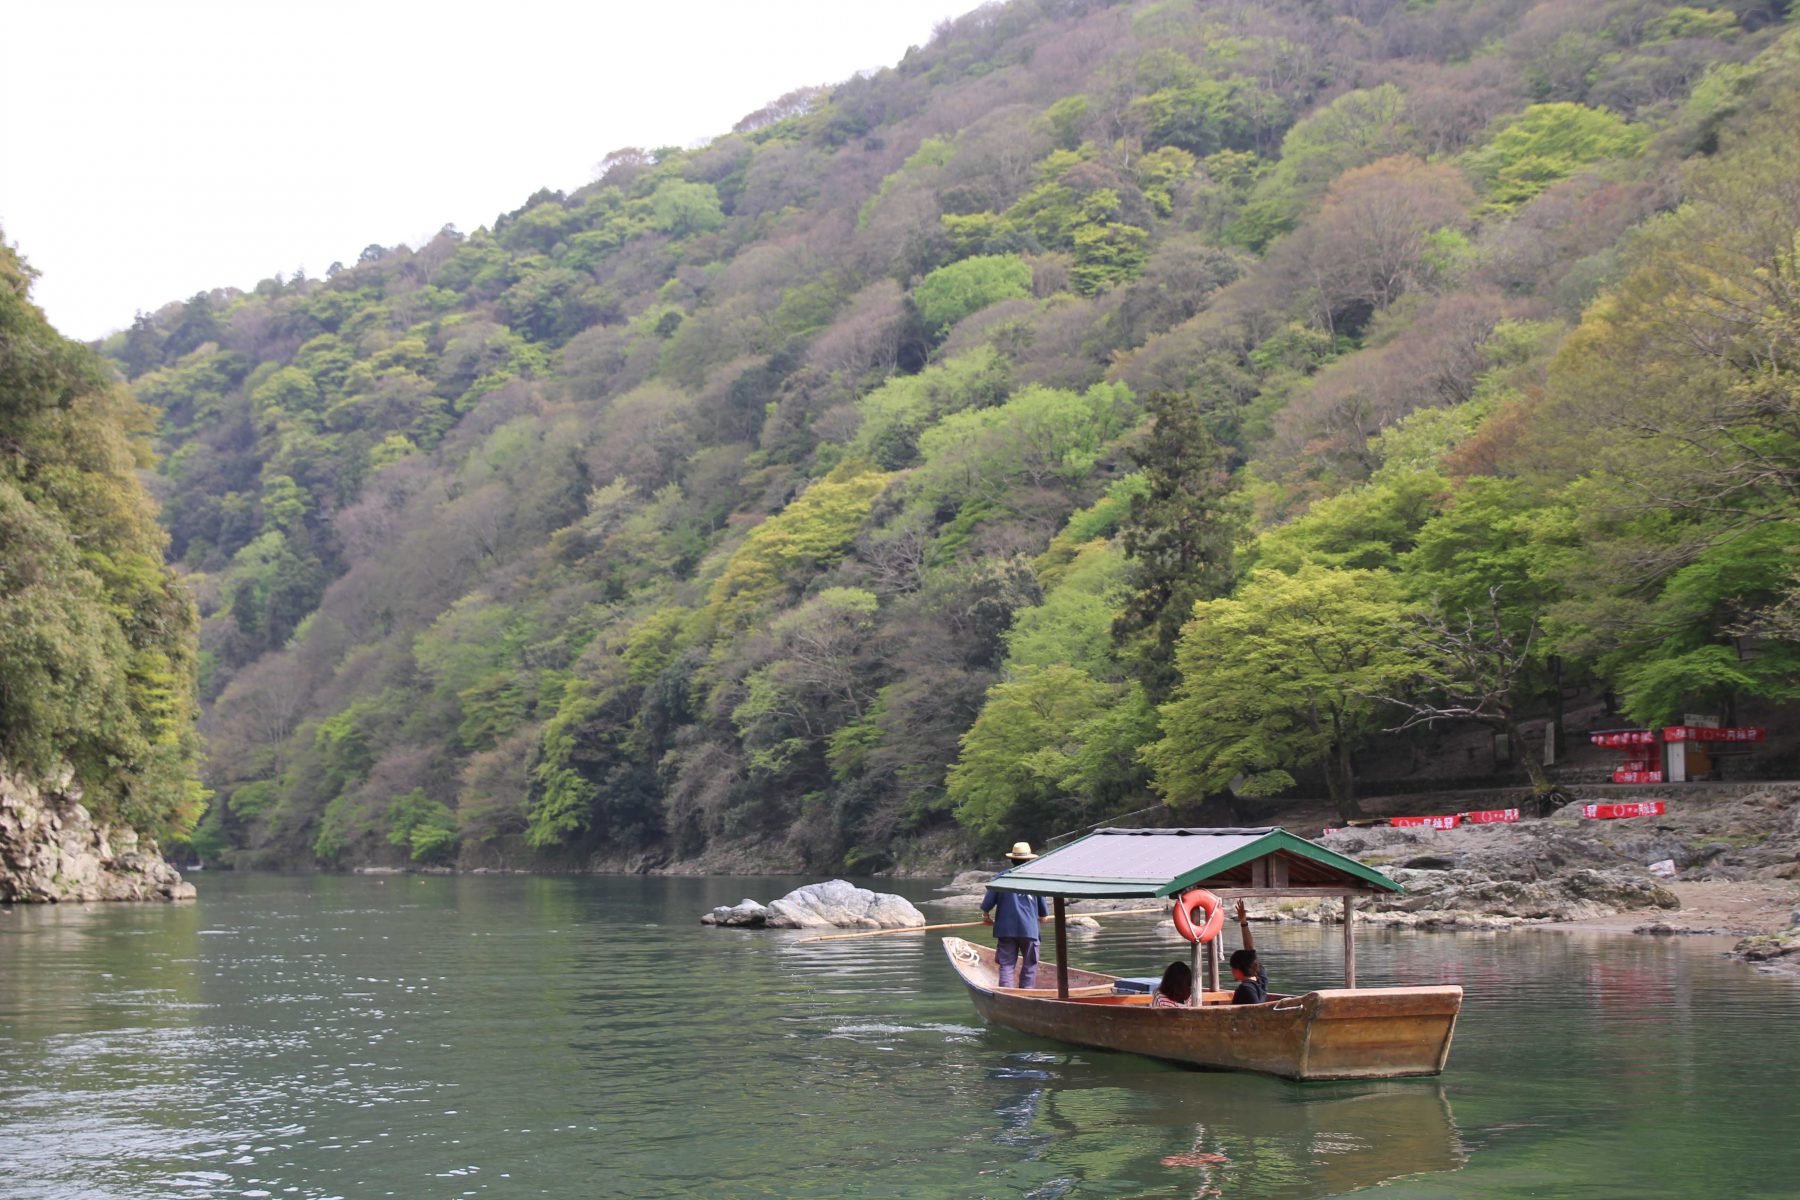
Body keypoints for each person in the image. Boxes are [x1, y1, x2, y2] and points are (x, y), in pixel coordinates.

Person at [980, 841, 1048, 988]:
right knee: (1030, 964)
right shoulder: (1036, 879)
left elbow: (987, 905)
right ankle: (1027, 993)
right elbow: (1043, 913)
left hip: (1006, 929)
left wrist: (986, 915)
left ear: (1012, 860)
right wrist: (1043, 915)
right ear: (1029, 860)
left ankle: (1006, 993)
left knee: (1007, 964)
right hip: (1029, 929)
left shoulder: (1001, 878)